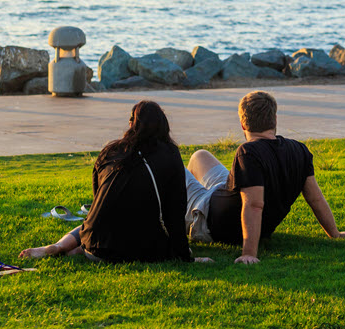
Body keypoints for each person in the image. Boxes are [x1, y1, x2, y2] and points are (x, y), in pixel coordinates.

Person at [19, 100, 209, 264]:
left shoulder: (111, 150)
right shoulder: (171, 154)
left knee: (91, 223)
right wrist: (185, 256)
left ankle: (61, 246)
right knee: (143, 230)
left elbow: (97, 201)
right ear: (163, 126)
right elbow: (174, 214)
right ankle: (78, 250)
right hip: (139, 251)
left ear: (131, 124)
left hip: (95, 245)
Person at [183, 91, 345, 264]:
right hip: (222, 195)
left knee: (177, 168)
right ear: (274, 120)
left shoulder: (248, 152)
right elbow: (315, 198)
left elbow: (254, 205)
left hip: (208, 219)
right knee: (200, 156)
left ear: (243, 125)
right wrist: (335, 233)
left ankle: (180, 217)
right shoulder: (299, 150)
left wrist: (249, 254)